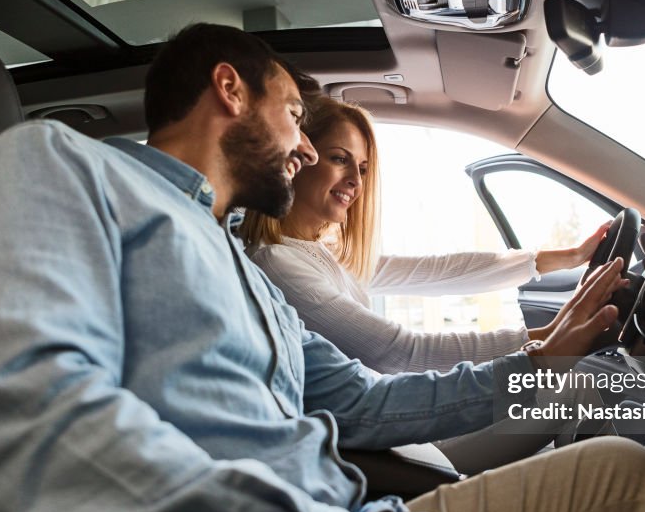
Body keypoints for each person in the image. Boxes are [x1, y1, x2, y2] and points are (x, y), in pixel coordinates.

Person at [0, 23, 645, 512]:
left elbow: (367, 401)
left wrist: (542, 366)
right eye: (294, 116)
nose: (310, 152)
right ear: (229, 88)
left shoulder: (238, 263)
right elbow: (30, 431)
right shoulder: (49, 165)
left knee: (624, 479)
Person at [240, 96, 611, 375]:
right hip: (388, 443)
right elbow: (401, 352)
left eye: (364, 168)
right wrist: (546, 337)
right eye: (340, 158)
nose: (356, 180)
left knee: (579, 392)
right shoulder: (278, 263)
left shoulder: (325, 253)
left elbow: (443, 271)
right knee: (579, 394)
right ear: (300, 158)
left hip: (396, 423)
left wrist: (570, 257)